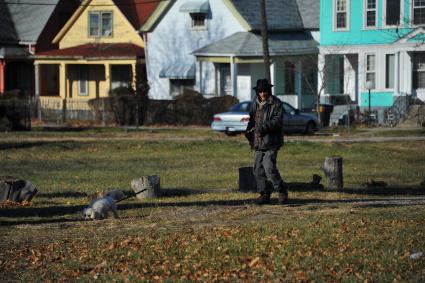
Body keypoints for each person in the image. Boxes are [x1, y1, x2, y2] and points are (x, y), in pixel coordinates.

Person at [245, 78, 288, 205]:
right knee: (257, 169)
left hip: (271, 142)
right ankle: (264, 194)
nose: (262, 94)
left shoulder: (276, 103)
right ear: (257, 92)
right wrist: (248, 131)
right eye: (260, 91)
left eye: (264, 91)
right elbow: (252, 120)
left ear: (268, 91)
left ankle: (281, 191)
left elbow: (277, 121)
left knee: (269, 166)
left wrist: (263, 127)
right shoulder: (254, 103)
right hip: (258, 142)